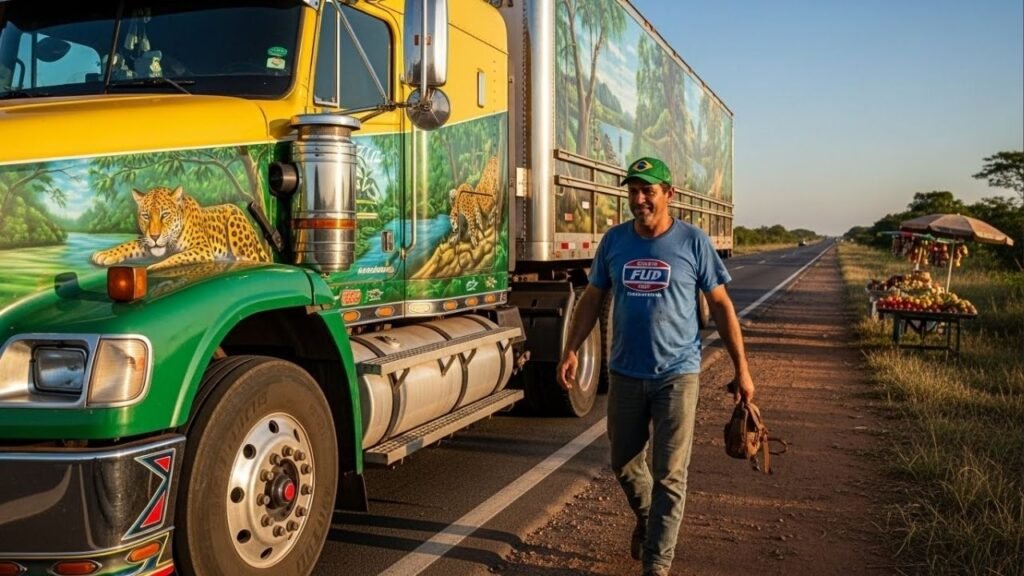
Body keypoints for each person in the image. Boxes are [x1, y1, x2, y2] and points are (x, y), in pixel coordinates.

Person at [556, 156, 755, 576]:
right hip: (626, 372)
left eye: (648, 191)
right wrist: (571, 347)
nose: (639, 199)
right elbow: (592, 298)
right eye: (633, 191)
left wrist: (743, 369)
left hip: (677, 375)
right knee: (624, 463)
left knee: (670, 476)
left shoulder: (692, 242)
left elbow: (720, 304)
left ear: (669, 194)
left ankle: (656, 564)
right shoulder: (614, 241)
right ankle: (648, 520)